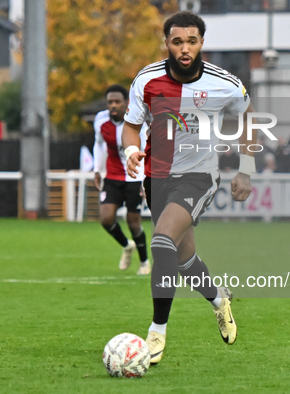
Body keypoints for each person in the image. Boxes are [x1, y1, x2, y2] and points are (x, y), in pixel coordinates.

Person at [122, 11, 254, 365]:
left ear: (201, 44)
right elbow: (131, 127)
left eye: (191, 41)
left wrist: (247, 168)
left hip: (199, 177)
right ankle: (218, 299)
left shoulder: (224, 83)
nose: (184, 48)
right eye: (177, 41)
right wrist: (132, 150)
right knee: (182, 258)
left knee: (162, 240)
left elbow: (247, 115)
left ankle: (157, 332)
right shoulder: (146, 81)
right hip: (157, 178)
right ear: (166, 43)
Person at [93, 85, 151, 275]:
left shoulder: (137, 122)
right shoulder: (100, 120)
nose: (113, 105)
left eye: (118, 101)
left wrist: (144, 180)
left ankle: (144, 262)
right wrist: (97, 170)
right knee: (106, 218)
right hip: (112, 176)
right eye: (110, 102)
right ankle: (127, 246)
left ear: (126, 102)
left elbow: (145, 150)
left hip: (134, 177)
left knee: (133, 222)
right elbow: (99, 144)